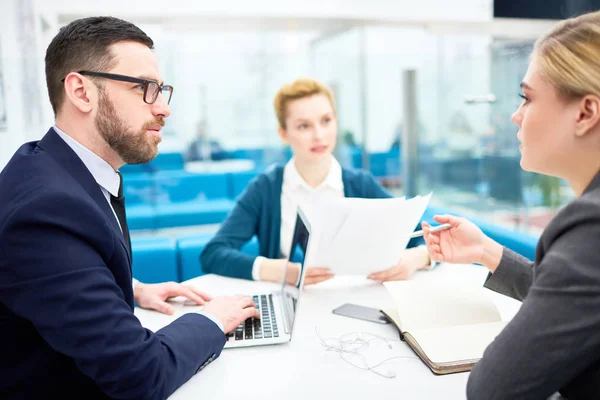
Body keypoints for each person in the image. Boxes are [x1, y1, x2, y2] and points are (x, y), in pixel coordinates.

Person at [0, 16, 259, 399]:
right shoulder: (45, 210)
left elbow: (48, 277)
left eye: (162, 90)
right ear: (81, 92)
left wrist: (130, 289)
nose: (164, 109)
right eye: (144, 89)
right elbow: (140, 374)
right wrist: (211, 320)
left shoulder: (54, 171)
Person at [422, 11, 600, 399]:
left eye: (527, 98)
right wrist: (486, 252)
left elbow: (493, 389)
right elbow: (580, 299)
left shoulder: (592, 224)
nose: (515, 116)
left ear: (586, 113)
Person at [201, 78, 434, 285]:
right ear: (284, 133)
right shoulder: (266, 189)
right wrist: (283, 272)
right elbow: (213, 254)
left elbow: (424, 238)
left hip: (356, 303)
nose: (319, 135)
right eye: (304, 126)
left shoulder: (361, 185)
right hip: (290, 309)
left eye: (326, 121)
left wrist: (416, 258)